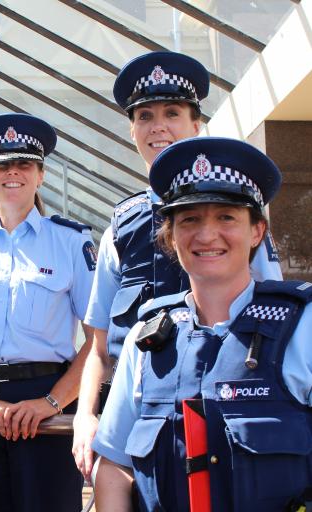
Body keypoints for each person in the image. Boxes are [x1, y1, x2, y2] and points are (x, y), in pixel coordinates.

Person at [72, 51, 283, 481]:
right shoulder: (121, 226)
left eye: (172, 113)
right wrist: (85, 415)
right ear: (132, 129)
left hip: (223, 409)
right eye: (145, 116)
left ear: (196, 125)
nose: (159, 127)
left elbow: (273, 325)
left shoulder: (240, 221)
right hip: (131, 419)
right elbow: (97, 347)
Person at [93, 136, 312, 511]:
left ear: (257, 231)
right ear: (171, 235)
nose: (207, 235)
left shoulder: (302, 326)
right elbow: (114, 466)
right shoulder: (146, 338)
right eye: (190, 219)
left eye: (226, 217)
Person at [0, 113, 96, 512]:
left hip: (49, 405)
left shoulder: (70, 242)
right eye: (1, 166)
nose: (13, 173)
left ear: (41, 175)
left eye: (24, 164)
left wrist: (50, 403)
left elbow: (99, 342)